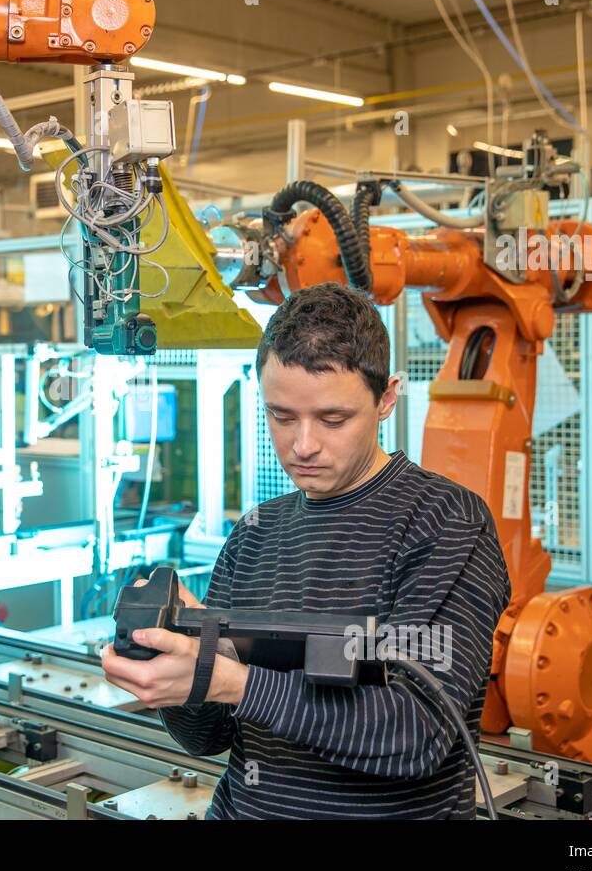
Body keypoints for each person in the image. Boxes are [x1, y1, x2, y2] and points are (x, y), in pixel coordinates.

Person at [101, 282, 511, 818]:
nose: (303, 445)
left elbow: (417, 733)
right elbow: (210, 737)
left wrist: (234, 680)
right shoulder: (255, 535)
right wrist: (184, 663)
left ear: (387, 398)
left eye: (333, 419)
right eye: (282, 416)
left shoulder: (445, 521)